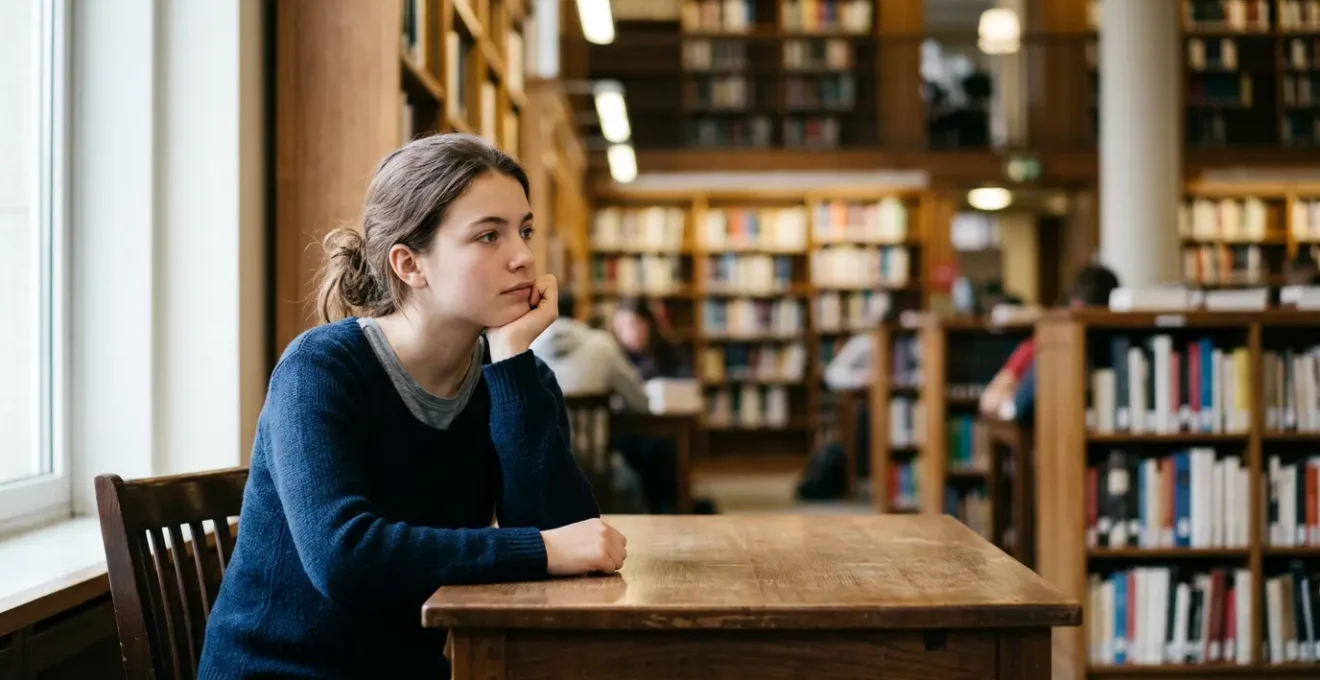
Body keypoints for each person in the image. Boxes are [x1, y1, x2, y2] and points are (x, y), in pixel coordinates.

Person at [197, 134, 627, 680]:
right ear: (409, 264)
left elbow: (573, 544)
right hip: (283, 672)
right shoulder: (320, 368)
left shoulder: (517, 376)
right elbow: (344, 558)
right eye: (488, 236)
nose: (523, 257)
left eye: (524, 230)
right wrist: (541, 550)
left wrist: (514, 360)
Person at [979, 263, 1121, 420]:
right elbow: (990, 399)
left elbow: (991, 400)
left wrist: (1011, 407)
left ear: (1074, 304)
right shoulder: (1042, 345)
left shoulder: (1048, 345)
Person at [530, 290, 649, 412]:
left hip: (540, 431)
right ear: (577, 311)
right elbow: (640, 402)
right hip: (592, 430)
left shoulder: (527, 350)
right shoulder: (602, 345)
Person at [611, 298, 689, 380]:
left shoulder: (669, 352)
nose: (628, 332)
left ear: (647, 324)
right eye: (621, 327)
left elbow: (686, 382)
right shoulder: (615, 356)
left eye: (633, 324)